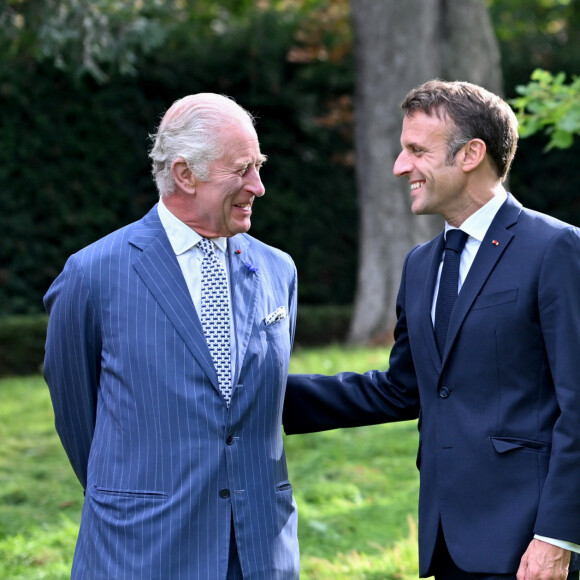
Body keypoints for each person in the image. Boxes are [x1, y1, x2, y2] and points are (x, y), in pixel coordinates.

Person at [283, 80, 580, 580]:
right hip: (446, 542)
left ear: (471, 155)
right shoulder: (420, 265)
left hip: (531, 545)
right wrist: (263, 398)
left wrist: (558, 535)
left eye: (416, 151)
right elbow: (405, 389)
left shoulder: (556, 249)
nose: (401, 167)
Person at [44, 93, 299, 579]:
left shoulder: (276, 269)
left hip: (257, 551)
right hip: (142, 550)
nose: (259, 186)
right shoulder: (93, 273)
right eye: (242, 169)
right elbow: (77, 415)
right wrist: (130, 498)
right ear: (185, 174)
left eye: (259, 166)